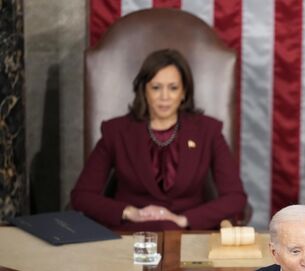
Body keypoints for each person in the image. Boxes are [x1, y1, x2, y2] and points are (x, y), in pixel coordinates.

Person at [71, 49, 247, 230]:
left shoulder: (208, 131)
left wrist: (183, 219)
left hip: (188, 236)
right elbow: (81, 196)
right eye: (156, 87)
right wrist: (129, 212)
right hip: (131, 235)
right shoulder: (116, 131)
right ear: (144, 91)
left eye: (173, 88)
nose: (165, 97)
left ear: (184, 92)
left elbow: (235, 198)